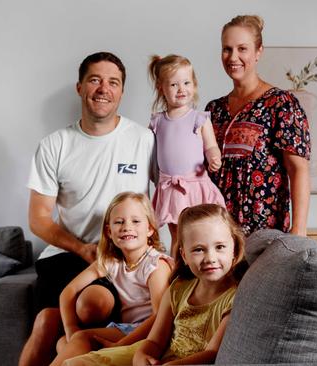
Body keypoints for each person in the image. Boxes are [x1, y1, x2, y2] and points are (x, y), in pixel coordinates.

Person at [20, 52, 156, 366]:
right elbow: (38, 219)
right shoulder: (55, 145)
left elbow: (175, 192)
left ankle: (73, 348)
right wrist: (81, 249)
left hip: (121, 259)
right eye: (95, 80)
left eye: (113, 82)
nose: (103, 89)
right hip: (67, 255)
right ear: (80, 87)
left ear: (122, 91)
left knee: (92, 306)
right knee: (44, 325)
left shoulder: (144, 140)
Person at [62, 203, 247, 366]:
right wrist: (142, 355)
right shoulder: (178, 289)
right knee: (77, 363)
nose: (210, 258)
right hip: (158, 357)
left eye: (220, 247)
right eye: (198, 250)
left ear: (234, 249)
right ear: (184, 255)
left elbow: (212, 354)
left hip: (185, 364)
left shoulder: (236, 297)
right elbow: (155, 341)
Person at [206, 15, 311, 236]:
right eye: (227, 49)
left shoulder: (281, 103)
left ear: (258, 52)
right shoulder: (213, 109)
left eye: (242, 49)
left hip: (264, 233)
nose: (233, 57)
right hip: (218, 234)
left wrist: (299, 232)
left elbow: (297, 169)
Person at [50, 192, 173, 366]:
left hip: (150, 332)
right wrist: (71, 329)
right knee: (65, 342)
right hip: (125, 328)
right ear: (109, 231)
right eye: (119, 222)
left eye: (136, 221)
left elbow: (160, 317)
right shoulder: (112, 262)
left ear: (150, 229)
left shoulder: (155, 265)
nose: (126, 227)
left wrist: (122, 344)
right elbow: (68, 292)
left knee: (82, 339)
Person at [147, 54, 225, 254]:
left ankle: (199, 274)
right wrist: (153, 175)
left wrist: (214, 157)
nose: (181, 89)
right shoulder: (158, 121)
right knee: (177, 236)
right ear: (161, 88)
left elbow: (210, 146)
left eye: (186, 82)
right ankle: (176, 274)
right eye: (173, 85)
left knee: (200, 233)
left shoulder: (199, 118)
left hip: (195, 186)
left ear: (195, 85)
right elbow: (151, 153)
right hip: (170, 187)